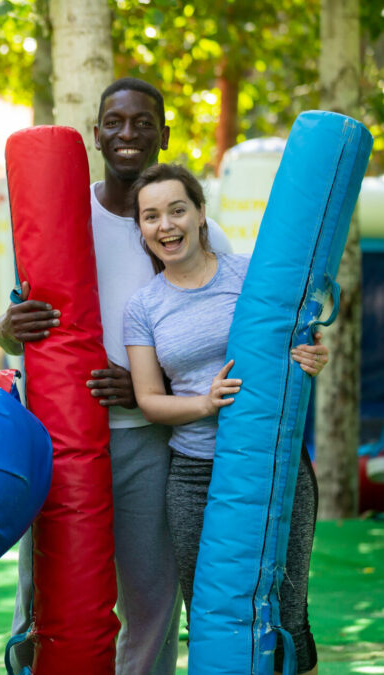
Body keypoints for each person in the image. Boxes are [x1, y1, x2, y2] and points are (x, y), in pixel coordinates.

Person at [0, 78, 233, 674]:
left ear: (163, 134)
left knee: (152, 594)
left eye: (143, 122)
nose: (128, 134)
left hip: (146, 437)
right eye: (115, 123)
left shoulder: (188, 228)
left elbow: (225, 332)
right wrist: (8, 327)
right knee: (47, 593)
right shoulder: (55, 217)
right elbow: (7, 330)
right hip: (54, 437)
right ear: (96, 133)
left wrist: (149, 387)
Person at [123, 163, 322, 674]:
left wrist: (314, 354)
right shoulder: (143, 307)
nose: (165, 225)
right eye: (151, 216)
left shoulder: (250, 274)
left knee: (288, 611)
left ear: (200, 213)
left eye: (176, 210)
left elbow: (299, 340)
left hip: (273, 463)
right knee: (212, 616)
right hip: (192, 474)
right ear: (141, 228)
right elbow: (149, 399)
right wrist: (204, 405)